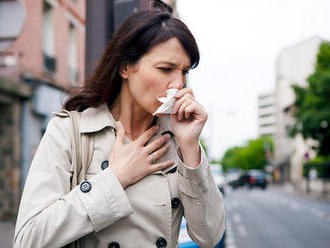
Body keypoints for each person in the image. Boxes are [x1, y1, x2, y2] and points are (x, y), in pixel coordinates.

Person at [13, 10, 225, 248]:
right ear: (125, 67)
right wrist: (114, 180)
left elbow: (210, 236)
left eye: (184, 72)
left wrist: (190, 147)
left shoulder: (178, 140)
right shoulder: (70, 131)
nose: (178, 84)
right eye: (166, 69)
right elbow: (28, 240)